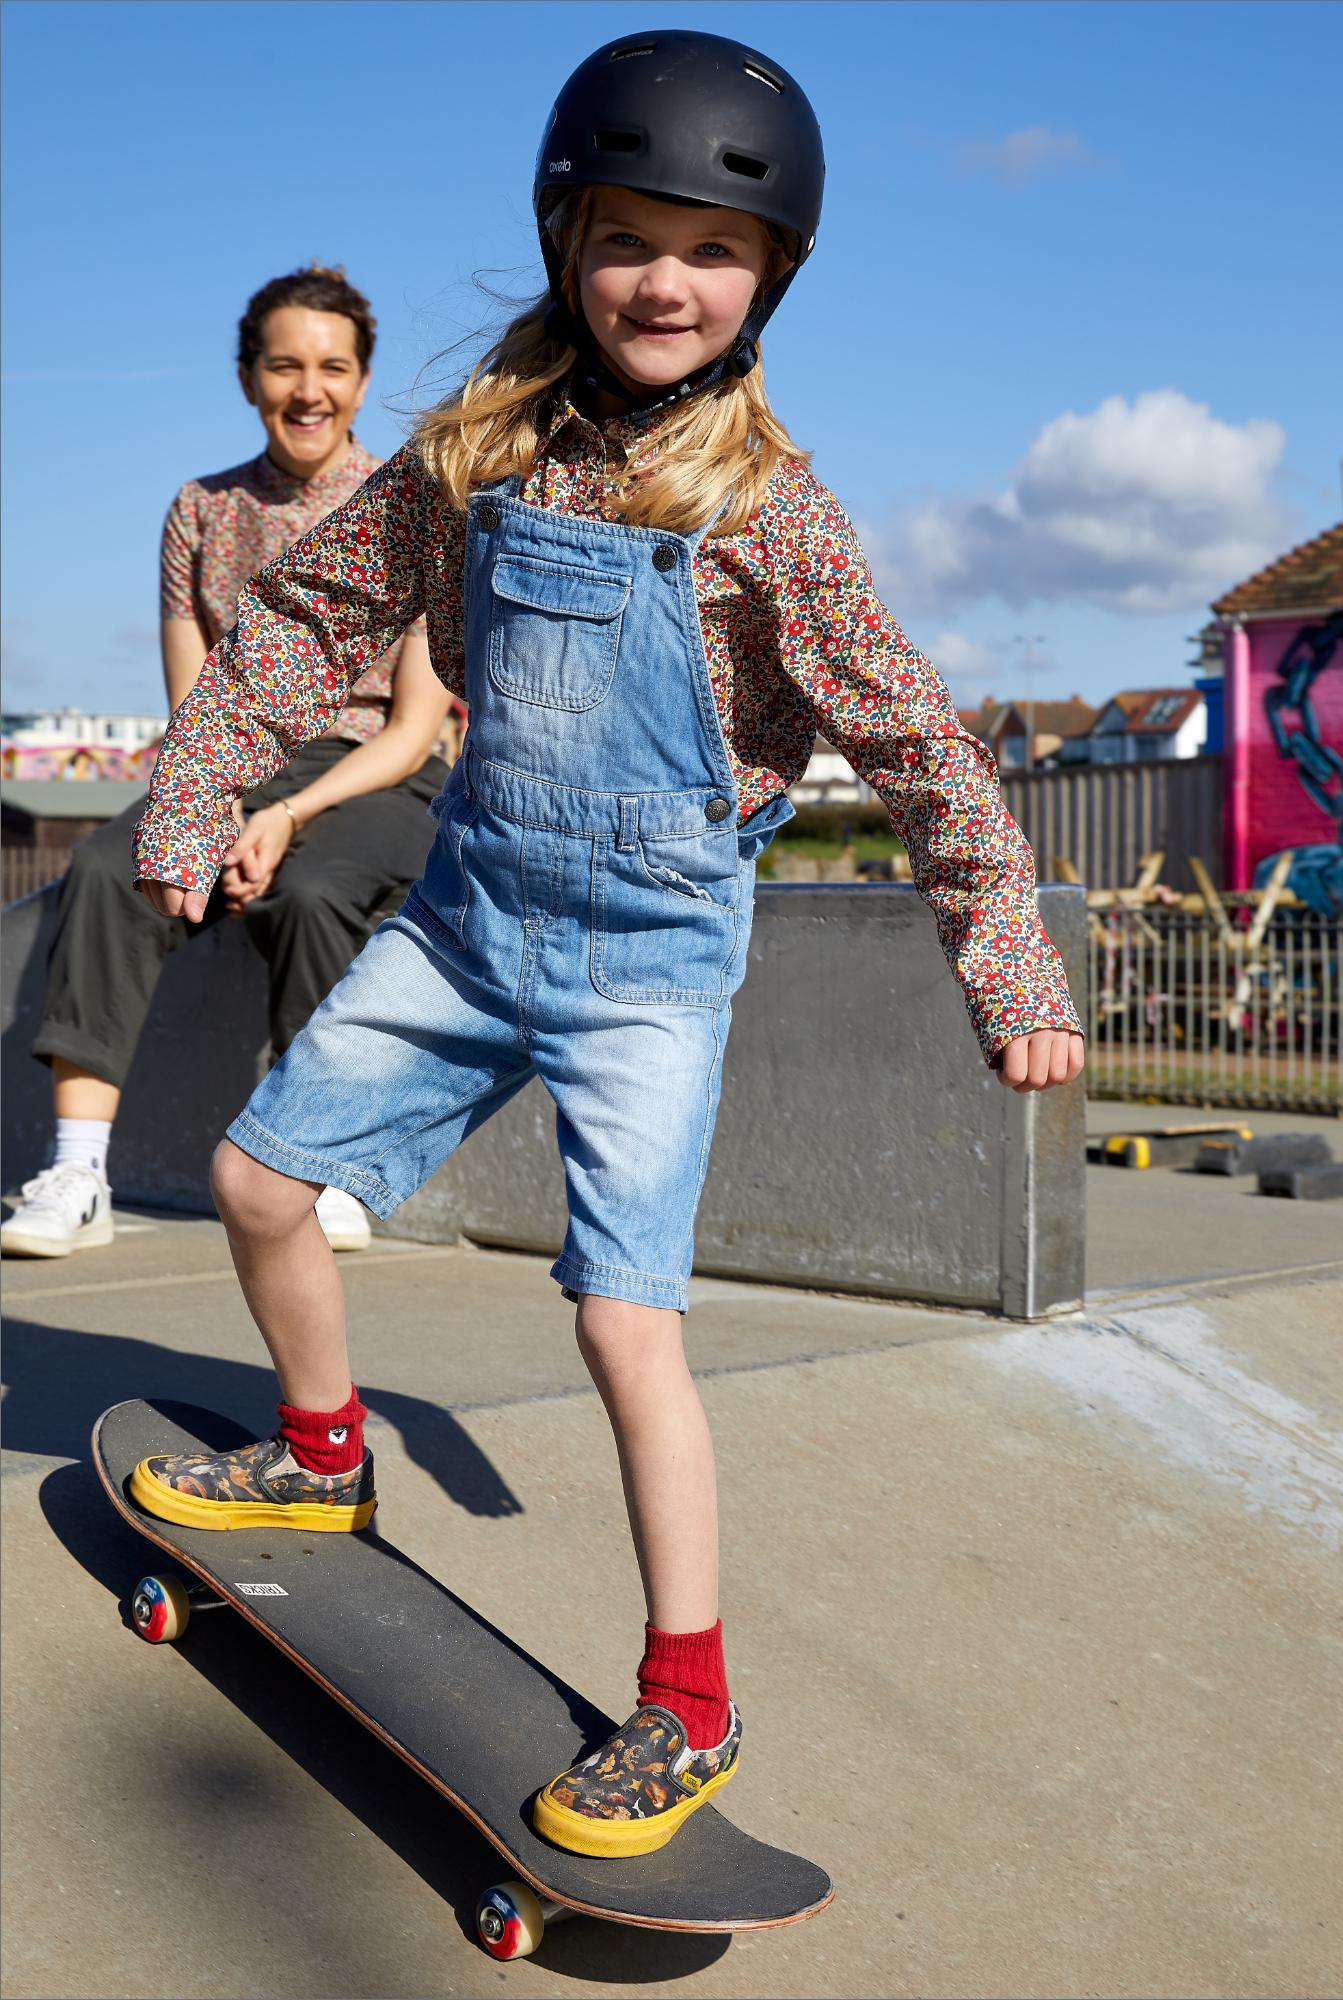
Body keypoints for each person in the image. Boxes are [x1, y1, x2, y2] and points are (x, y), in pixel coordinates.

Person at [124, 32, 1084, 1856]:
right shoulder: (473, 454)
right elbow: (300, 620)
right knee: (259, 1182)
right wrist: (191, 793)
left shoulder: (771, 512)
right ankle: (325, 1455)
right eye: (631, 235)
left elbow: (921, 746)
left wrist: (1008, 962)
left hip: (652, 961)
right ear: (568, 237)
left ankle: (690, 1702)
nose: (667, 279)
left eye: (712, 251)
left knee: (622, 1321)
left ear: (770, 279)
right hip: (477, 916)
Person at [2, 265, 453, 1261]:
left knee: (316, 889)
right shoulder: (198, 511)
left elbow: (414, 728)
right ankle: (78, 1169)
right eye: (284, 365)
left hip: (374, 771)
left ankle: (320, 1163)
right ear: (249, 378)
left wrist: (286, 816)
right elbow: (196, 703)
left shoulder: (413, 504)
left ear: (363, 382)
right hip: (234, 760)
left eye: (333, 366)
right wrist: (213, 810)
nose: (309, 388)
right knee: (109, 870)